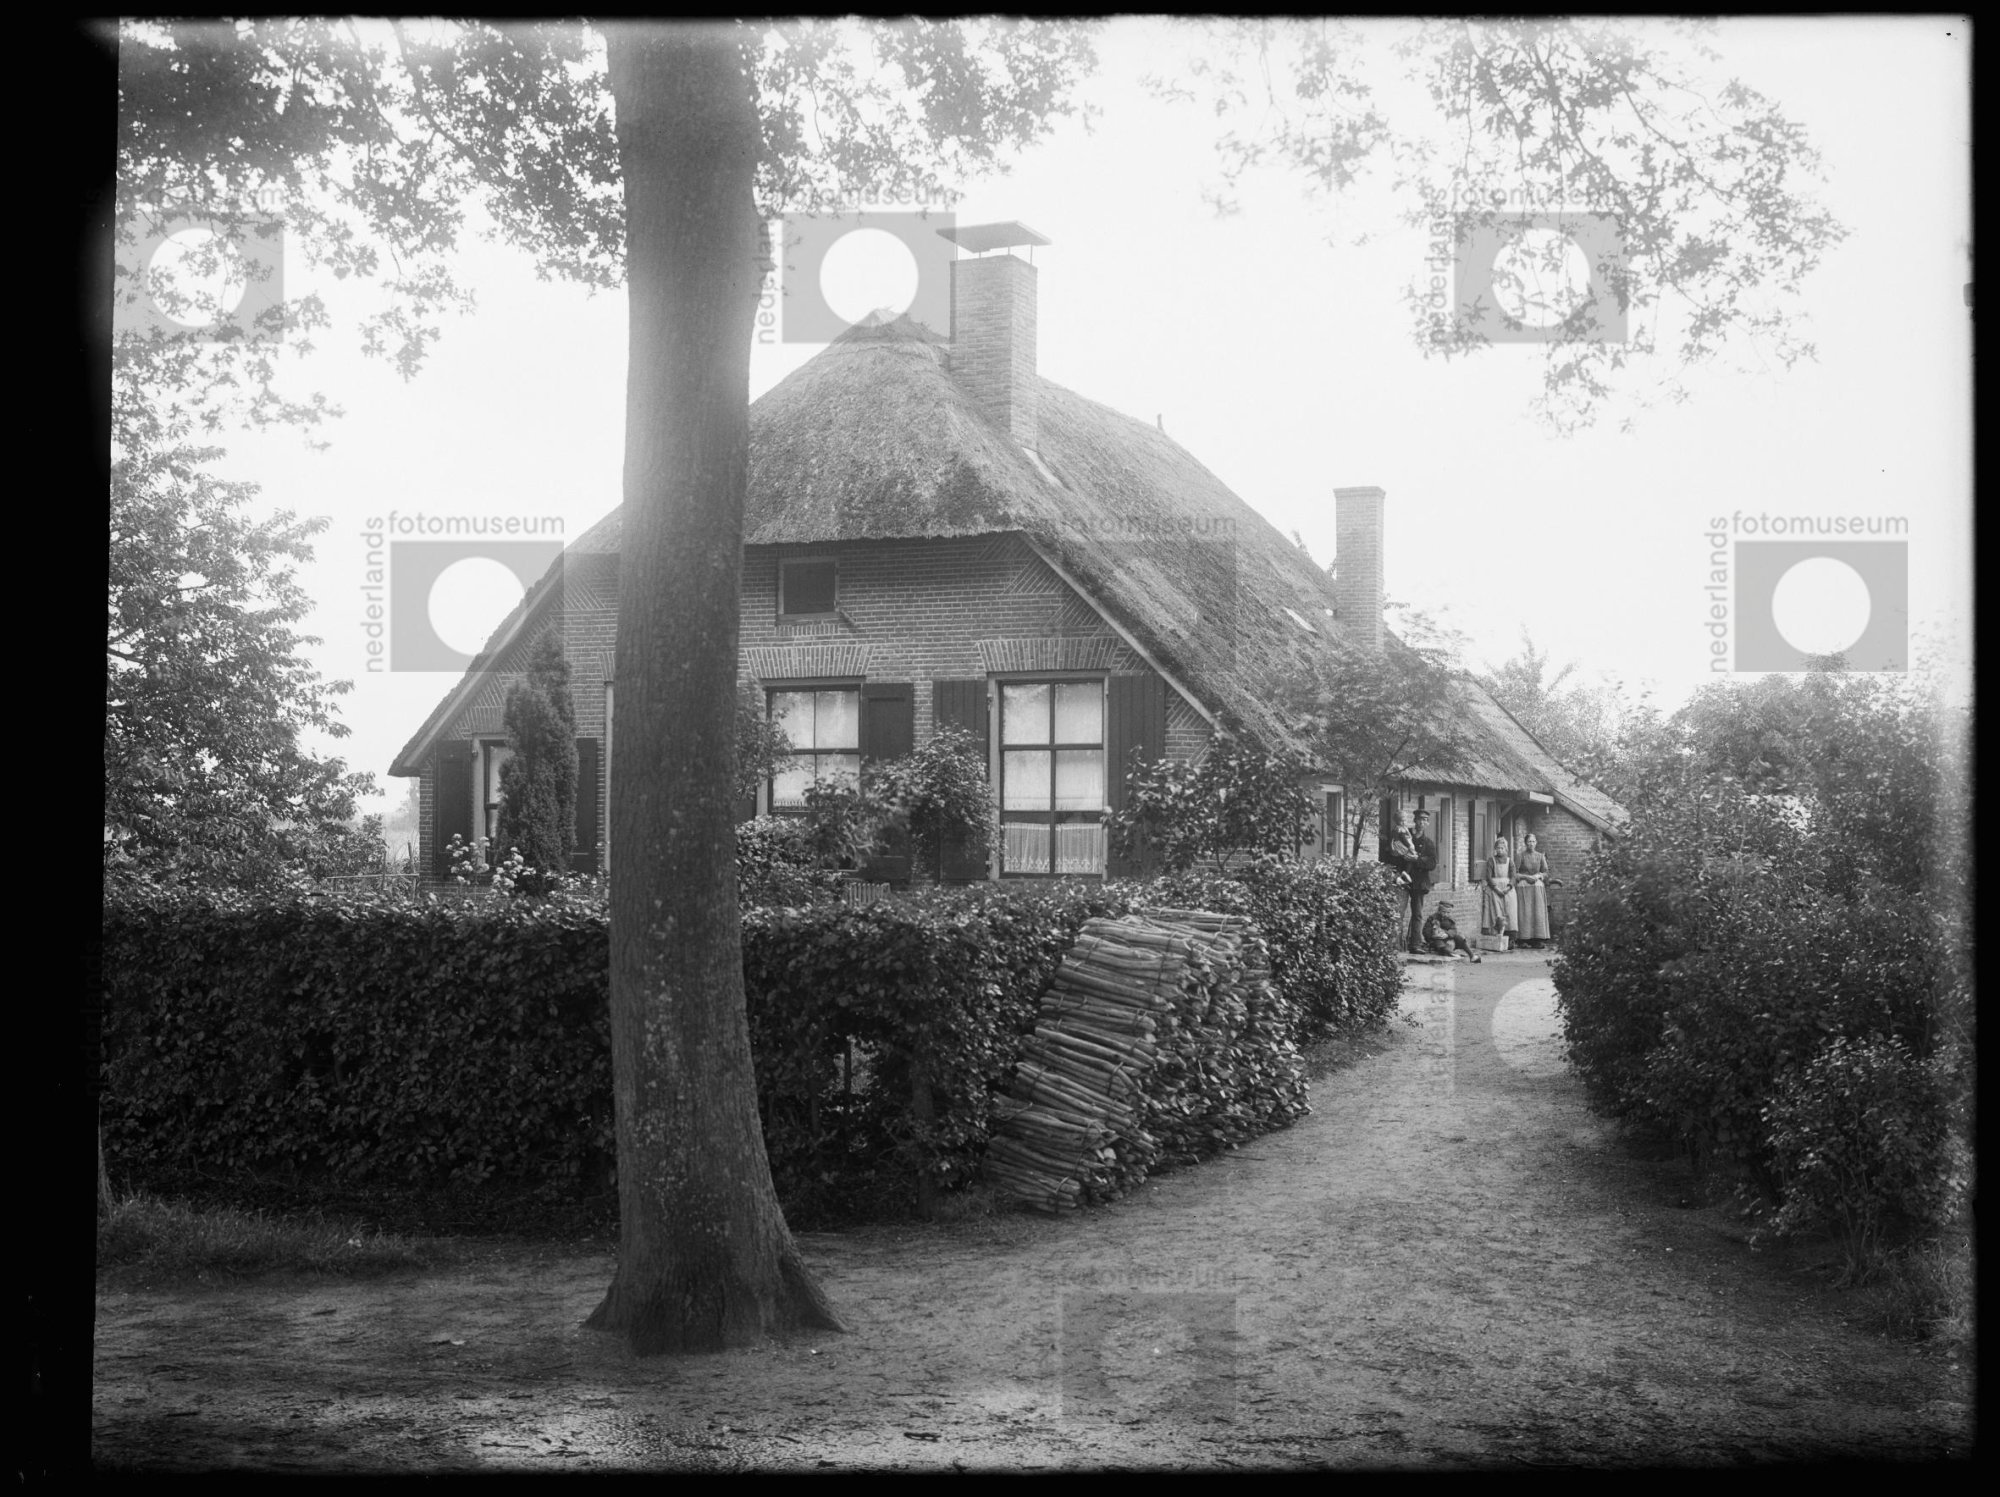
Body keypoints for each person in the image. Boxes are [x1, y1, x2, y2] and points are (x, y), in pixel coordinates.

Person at [1399, 809, 1438, 955]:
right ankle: (1395, 943)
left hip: (1419, 882)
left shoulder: (1429, 843)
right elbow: (1394, 853)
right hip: (1403, 880)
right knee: (1399, 912)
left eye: (1425, 820)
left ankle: (1415, 944)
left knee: (1417, 914)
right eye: (1420, 819)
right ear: (1415, 820)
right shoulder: (1405, 836)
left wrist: (1418, 860)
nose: (1422, 822)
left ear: (1427, 823)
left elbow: (1432, 863)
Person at [1515, 832, 1552, 948]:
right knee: (1525, 912)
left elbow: (1546, 872)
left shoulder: (1540, 856)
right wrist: (1525, 877)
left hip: (1537, 887)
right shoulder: (1520, 856)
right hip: (1524, 887)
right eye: (1529, 841)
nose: (1531, 844)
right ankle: (1523, 939)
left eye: (1533, 841)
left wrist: (1538, 876)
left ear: (1536, 843)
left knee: (1537, 912)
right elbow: (1514, 873)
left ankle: (1538, 939)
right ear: (1525, 843)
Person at [1481, 835, 1518, 940]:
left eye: (1502, 848)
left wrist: (1508, 888)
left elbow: (1513, 876)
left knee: (1510, 911)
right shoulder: (1491, 860)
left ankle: (1510, 938)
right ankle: (1498, 934)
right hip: (1495, 889)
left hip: (1507, 889)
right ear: (1495, 849)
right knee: (1496, 911)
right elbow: (1488, 877)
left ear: (1506, 849)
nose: (1500, 850)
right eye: (1498, 848)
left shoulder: (1510, 861)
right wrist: (1496, 888)